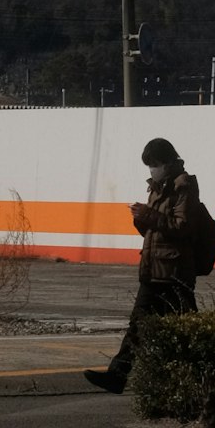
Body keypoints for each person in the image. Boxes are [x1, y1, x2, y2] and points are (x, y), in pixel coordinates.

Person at [85, 136, 199, 394]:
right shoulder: (158, 187)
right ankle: (118, 375)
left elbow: (182, 227)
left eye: (155, 164)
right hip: (154, 271)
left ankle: (198, 378)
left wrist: (148, 215)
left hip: (174, 272)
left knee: (187, 330)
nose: (152, 170)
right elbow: (157, 230)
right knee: (139, 325)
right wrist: (142, 220)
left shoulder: (184, 186)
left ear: (169, 162)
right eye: (149, 165)